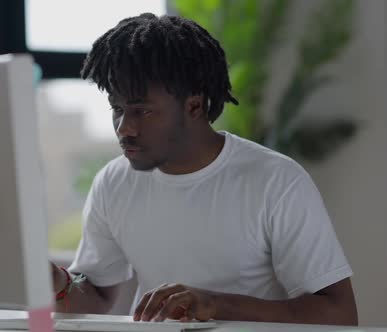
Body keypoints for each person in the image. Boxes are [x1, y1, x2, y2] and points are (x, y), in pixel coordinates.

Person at [49, 13, 358, 325]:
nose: (125, 128)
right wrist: (58, 283)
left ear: (194, 106)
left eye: (142, 111)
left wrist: (215, 304)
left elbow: (340, 315)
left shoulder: (276, 180)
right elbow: (96, 298)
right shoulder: (113, 182)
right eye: (117, 109)